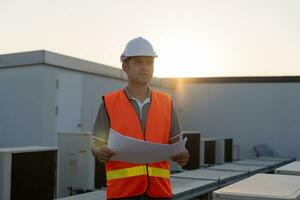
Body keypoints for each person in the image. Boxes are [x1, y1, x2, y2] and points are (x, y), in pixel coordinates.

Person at [91, 37, 189, 200]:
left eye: (149, 62)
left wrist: (183, 155)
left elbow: (177, 145)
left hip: (160, 193)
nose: (145, 68)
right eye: (138, 62)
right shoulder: (109, 103)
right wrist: (97, 151)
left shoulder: (166, 102)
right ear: (125, 66)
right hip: (122, 194)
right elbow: (96, 143)